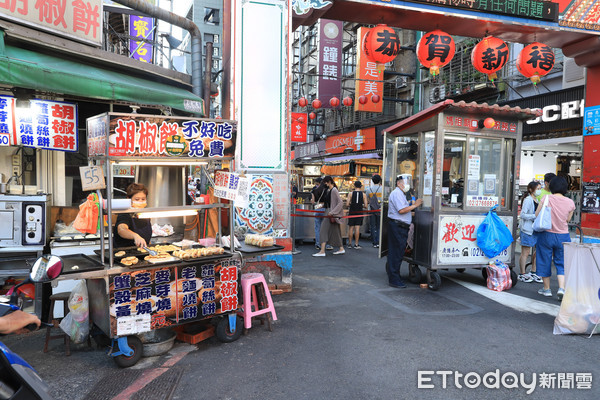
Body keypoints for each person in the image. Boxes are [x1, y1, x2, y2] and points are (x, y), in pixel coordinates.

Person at [535, 176, 575, 300]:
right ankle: (561, 288)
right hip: (563, 235)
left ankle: (546, 289)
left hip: (546, 234)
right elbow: (568, 220)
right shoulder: (570, 202)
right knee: (561, 262)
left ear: (551, 187)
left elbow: (537, 215)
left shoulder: (546, 198)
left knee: (544, 260)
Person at [387, 175, 422, 288]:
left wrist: (412, 207)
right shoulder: (397, 193)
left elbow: (404, 210)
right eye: (404, 182)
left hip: (399, 226)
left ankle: (394, 275)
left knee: (397, 252)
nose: (406, 185)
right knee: (396, 253)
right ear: (398, 183)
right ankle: (394, 279)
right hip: (398, 226)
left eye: (407, 182)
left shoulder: (401, 194)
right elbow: (401, 210)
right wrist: (415, 205)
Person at [312, 176, 345, 257]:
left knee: (323, 230)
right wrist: (319, 206)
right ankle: (341, 248)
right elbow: (328, 203)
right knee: (336, 232)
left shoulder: (333, 190)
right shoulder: (329, 190)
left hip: (330, 213)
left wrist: (332, 212)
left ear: (329, 181)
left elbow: (340, 203)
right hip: (329, 212)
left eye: (326, 182)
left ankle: (322, 251)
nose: (325, 184)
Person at [518, 181, 543, 283]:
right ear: (531, 189)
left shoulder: (536, 199)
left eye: (540, 188)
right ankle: (522, 273)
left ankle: (533, 271)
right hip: (527, 230)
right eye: (538, 188)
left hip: (536, 229)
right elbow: (523, 215)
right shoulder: (528, 200)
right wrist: (535, 216)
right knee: (525, 252)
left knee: (537, 251)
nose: (539, 190)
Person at [114, 183, 152, 248]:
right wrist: (135, 236)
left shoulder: (144, 214)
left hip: (143, 252)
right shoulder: (125, 213)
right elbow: (121, 229)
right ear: (129, 199)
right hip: (125, 252)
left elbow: (147, 237)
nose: (140, 202)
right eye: (137, 199)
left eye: (143, 199)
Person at [347, 181, 368, 249]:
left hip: (352, 211)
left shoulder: (351, 193)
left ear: (354, 186)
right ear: (361, 186)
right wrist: (361, 205)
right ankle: (356, 244)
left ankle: (349, 244)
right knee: (357, 228)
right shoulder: (364, 194)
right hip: (359, 212)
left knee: (351, 228)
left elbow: (347, 204)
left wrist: (351, 204)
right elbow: (366, 205)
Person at [365, 174, 382, 248]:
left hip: (371, 209)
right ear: (380, 181)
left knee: (372, 226)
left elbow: (367, 200)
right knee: (378, 226)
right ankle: (378, 241)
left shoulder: (368, 189)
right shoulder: (382, 189)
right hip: (380, 209)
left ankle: (374, 242)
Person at [311, 177, 326, 250]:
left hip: (317, 208)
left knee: (317, 227)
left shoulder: (314, 190)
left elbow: (313, 202)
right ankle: (325, 244)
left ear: (317, 183)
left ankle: (317, 244)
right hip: (324, 208)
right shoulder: (326, 190)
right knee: (325, 228)